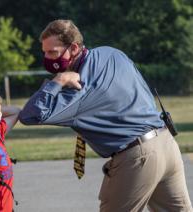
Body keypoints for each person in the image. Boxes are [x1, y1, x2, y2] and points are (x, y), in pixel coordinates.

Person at [19, 19, 192, 211]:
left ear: (74, 48)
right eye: (44, 52)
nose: (48, 59)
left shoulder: (77, 90)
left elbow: (30, 115)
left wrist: (58, 81)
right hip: (166, 143)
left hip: (138, 157)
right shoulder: (111, 53)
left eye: (53, 52)